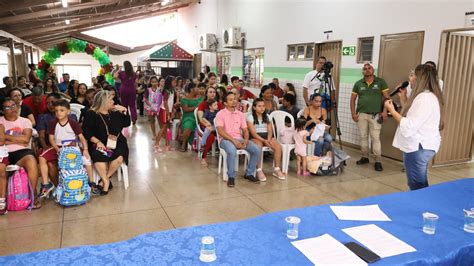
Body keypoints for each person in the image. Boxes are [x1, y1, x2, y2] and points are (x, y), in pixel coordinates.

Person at [384, 64, 443, 190]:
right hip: (422, 147)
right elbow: (412, 116)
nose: (409, 78)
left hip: (418, 148)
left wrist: (392, 110)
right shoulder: (425, 96)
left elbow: (409, 125)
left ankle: (422, 208)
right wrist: (403, 98)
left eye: (412, 75)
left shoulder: (424, 98)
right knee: (420, 183)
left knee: (417, 186)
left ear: (419, 78)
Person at [38, 100, 95, 198]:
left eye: (61, 110)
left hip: (72, 147)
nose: (58, 113)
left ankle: (91, 183)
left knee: (87, 159)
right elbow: (51, 138)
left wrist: (85, 149)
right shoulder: (53, 123)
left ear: (68, 111)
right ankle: (46, 184)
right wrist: (56, 149)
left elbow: (81, 137)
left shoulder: (73, 123)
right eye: (56, 111)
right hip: (58, 147)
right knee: (42, 157)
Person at [82, 90, 131, 195]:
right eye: (110, 99)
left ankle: (104, 179)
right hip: (99, 142)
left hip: (117, 141)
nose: (113, 101)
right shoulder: (91, 114)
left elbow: (126, 123)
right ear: (103, 101)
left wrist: (125, 111)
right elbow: (86, 131)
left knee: (120, 155)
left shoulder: (115, 112)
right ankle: (105, 181)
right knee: (97, 153)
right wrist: (97, 142)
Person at [0, 98, 40, 209]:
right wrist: (18, 138)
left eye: (13, 105)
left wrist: (5, 136)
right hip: (2, 152)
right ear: (3, 110)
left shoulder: (25, 121)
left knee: (31, 161)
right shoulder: (0, 121)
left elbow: (26, 140)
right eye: (7, 107)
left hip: (21, 152)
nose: (12, 109)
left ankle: (33, 195)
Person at [215, 92, 261, 187]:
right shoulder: (220, 114)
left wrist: (246, 139)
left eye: (235, 99)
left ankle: (249, 173)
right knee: (232, 150)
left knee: (256, 149)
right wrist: (233, 140)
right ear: (225, 103)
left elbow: (245, 129)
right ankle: (231, 176)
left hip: (239, 139)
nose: (234, 101)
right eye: (230, 100)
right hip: (225, 139)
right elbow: (220, 131)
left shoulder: (240, 114)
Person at [350, 63, 389, 171]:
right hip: (361, 115)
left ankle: (378, 161)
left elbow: (387, 98)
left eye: (369, 68)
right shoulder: (358, 84)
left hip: (375, 115)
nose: (367, 70)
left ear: (373, 70)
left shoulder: (380, 82)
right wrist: (353, 113)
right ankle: (365, 157)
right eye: (365, 69)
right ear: (362, 71)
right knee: (363, 137)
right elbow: (352, 99)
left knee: (375, 138)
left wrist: (385, 112)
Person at [246, 98, 286, 181]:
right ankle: (259, 170)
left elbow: (270, 130)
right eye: (259, 106)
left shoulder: (267, 116)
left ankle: (277, 169)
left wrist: (268, 139)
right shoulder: (250, 117)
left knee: (277, 146)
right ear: (254, 107)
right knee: (258, 147)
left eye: (263, 106)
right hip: (256, 137)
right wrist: (264, 141)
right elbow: (253, 133)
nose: (262, 108)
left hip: (266, 136)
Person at [197, 87, 224, 164]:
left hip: (216, 125)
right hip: (206, 125)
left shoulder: (218, 104)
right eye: (210, 92)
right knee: (211, 137)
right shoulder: (203, 104)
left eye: (214, 92)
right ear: (206, 94)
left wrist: (217, 126)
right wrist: (209, 126)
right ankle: (204, 157)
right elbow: (201, 119)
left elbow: (222, 116)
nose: (212, 93)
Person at [179, 82, 203, 152]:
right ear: (192, 89)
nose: (198, 90)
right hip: (189, 117)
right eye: (197, 88)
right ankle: (184, 144)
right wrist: (196, 107)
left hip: (199, 117)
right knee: (188, 125)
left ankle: (200, 145)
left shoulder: (201, 98)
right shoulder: (185, 99)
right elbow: (186, 109)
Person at [155, 76, 176, 152]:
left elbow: (172, 102)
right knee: (163, 128)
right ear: (170, 82)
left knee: (167, 128)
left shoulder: (172, 90)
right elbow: (165, 103)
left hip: (168, 111)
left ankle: (168, 145)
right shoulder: (166, 91)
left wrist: (172, 111)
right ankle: (156, 144)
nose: (175, 83)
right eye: (174, 82)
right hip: (164, 110)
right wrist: (168, 114)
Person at [200, 99, 219, 166]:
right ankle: (203, 144)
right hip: (210, 125)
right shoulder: (207, 111)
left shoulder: (217, 111)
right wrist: (208, 123)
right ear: (210, 107)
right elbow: (203, 118)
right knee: (207, 131)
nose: (217, 106)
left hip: (216, 126)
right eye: (215, 105)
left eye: (217, 104)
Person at [0, 124, 8, 215]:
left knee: (2, 171)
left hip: (1, 153)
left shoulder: (1, 126)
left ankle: (1, 200)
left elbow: (1, 141)